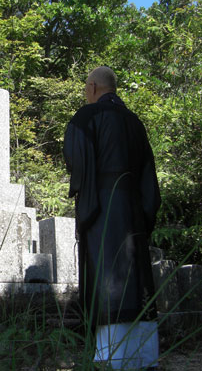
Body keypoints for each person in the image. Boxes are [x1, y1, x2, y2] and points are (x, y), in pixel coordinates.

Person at [63, 66, 161, 370]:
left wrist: (87, 199)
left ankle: (109, 357)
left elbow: (76, 162)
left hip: (103, 208)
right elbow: (149, 180)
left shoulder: (86, 117)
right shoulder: (136, 123)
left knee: (106, 276)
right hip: (132, 211)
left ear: (92, 87)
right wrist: (143, 216)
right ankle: (144, 356)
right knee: (136, 278)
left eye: (85, 88)